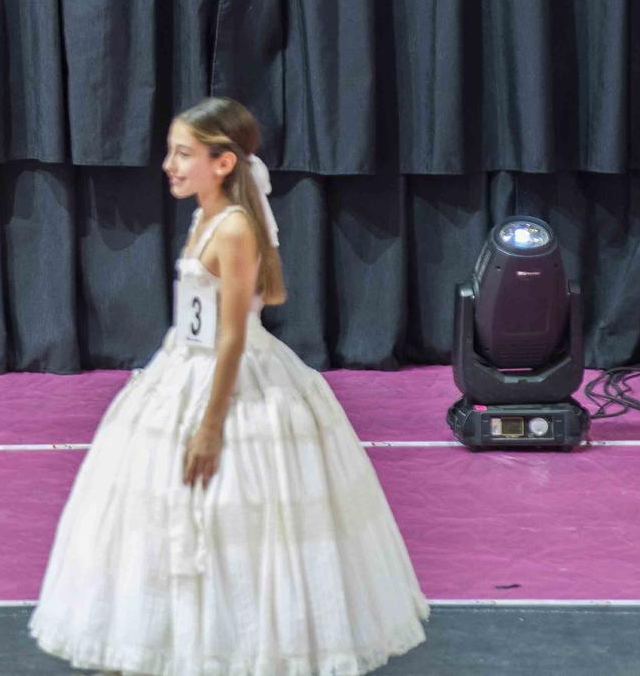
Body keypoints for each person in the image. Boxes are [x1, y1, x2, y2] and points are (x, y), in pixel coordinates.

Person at [30, 97, 429, 674]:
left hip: (231, 382)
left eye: (183, 153)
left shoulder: (236, 229)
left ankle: (239, 643)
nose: (170, 164)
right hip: (182, 367)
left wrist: (211, 425)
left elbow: (232, 339)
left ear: (222, 163)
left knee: (238, 510)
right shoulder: (207, 217)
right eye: (171, 151)